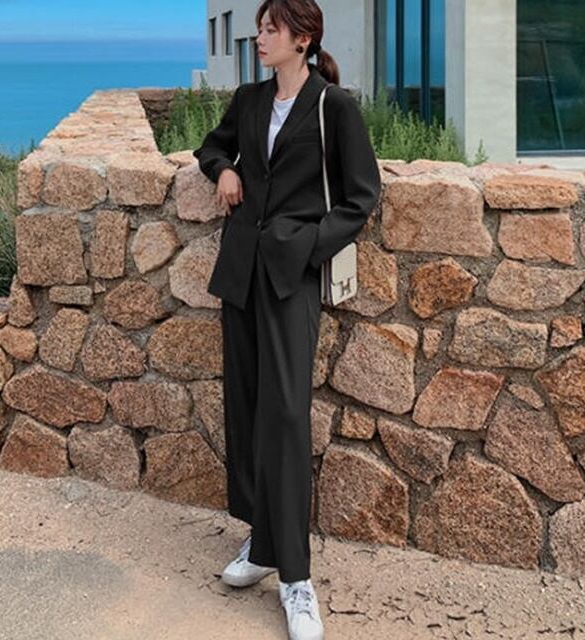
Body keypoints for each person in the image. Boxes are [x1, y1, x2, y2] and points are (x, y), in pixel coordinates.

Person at [192, 1, 381, 638]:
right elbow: (210, 146)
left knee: (288, 416)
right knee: (246, 407)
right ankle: (262, 541)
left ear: (303, 39)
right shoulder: (249, 100)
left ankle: (296, 579)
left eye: (271, 29)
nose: (260, 36)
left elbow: (361, 196)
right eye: (260, 28)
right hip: (241, 273)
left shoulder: (335, 107)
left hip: (289, 278)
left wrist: (305, 247)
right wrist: (224, 170)